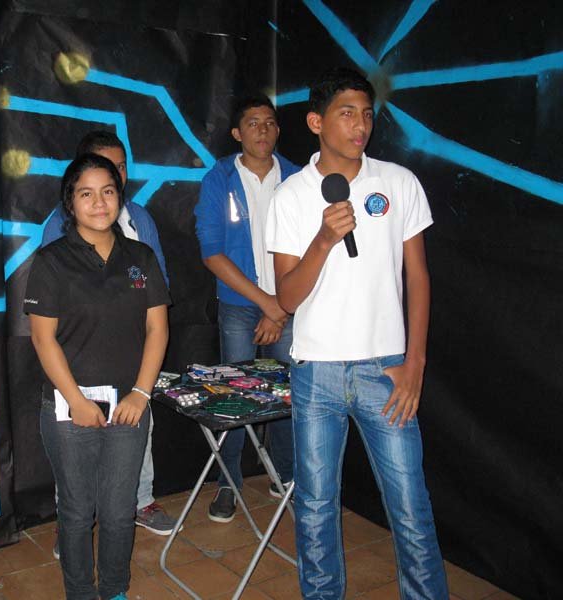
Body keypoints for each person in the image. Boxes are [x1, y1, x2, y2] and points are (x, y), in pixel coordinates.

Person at [267, 67, 449, 598]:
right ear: (316, 122)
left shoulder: (398, 182)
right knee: (315, 509)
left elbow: (418, 277)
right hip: (316, 373)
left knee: (410, 507)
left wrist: (415, 364)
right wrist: (323, 240)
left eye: (367, 114)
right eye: (347, 113)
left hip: (385, 371)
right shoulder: (291, 196)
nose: (361, 125)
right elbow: (286, 298)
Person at [25, 153, 169, 600]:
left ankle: (114, 590)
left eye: (108, 191)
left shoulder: (140, 256)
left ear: (119, 197)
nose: (99, 202)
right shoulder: (51, 261)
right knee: (75, 511)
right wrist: (77, 401)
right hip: (69, 410)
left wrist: (141, 393)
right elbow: (43, 339)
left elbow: (157, 329)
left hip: (129, 406)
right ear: (70, 202)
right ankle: (81, 594)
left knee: (119, 511)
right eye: (86, 194)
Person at [193, 94, 300, 522]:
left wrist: (281, 308)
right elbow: (211, 252)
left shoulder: (297, 177)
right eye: (253, 123)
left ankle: (286, 477)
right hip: (240, 306)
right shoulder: (218, 178)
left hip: (291, 306)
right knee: (233, 397)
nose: (263, 130)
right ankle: (228, 483)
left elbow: (313, 249)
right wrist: (266, 304)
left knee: (288, 395)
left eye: (270, 122)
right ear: (237, 133)